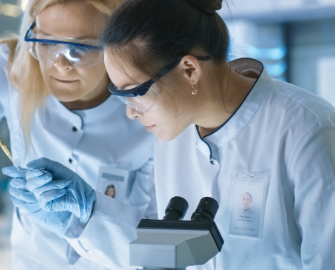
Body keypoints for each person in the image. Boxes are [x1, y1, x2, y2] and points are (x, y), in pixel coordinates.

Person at [24, 0, 335, 269]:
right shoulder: (173, 135)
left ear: (189, 70)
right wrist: (87, 215)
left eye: (136, 92)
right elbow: (162, 250)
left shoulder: (307, 130)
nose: (130, 112)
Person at [0, 0, 157, 269]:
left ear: (119, 43)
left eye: (81, 47)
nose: (61, 64)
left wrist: (85, 219)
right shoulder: (12, 68)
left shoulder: (150, 105)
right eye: (47, 43)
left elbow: (159, 247)